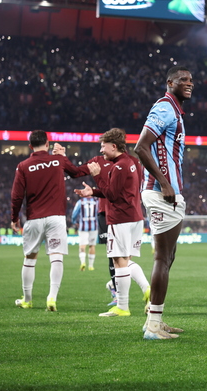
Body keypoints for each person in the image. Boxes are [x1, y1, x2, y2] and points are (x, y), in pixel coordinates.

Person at [135, 65, 192, 340]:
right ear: (170, 82)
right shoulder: (165, 107)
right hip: (161, 193)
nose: (189, 83)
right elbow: (140, 146)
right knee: (162, 257)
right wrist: (165, 183)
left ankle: (153, 320)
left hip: (167, 193)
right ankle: (153, 326)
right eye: (183, 79)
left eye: (191, 80)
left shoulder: (175, 111)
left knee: (168, 257)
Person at [74, 128, 147, 319]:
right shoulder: (132, 162)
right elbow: (118, 190)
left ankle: (123, 306)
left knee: (119, 261)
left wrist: (97, 176)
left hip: (120, 218)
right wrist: (93, 192)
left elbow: (113, 195)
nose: (101, 150)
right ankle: (144, 291)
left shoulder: (119, 166)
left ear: (114, 146)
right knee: (124, 260)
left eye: (103, 146)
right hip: (134, 216)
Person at [11, 130, 87, 311]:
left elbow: (16, 196)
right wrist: (63, 156)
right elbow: (76, 172)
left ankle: (27, 300)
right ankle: (52, 298)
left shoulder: (23, 166)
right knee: (56, 257)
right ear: (47, 144)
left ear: (30, 146)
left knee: (30, 259)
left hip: (34, 218)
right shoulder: (58, 160)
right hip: (56, 217)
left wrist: (14, 218)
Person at [71, 196, 98, 271]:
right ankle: (91, 266)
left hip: (83, 227)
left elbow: (74, 214)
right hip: (93, 227)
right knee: (92, 245)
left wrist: (74, 221)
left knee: (82, 245)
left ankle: (83, 262)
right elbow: (99, 213)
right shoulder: (96, 202)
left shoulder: (81, 202)